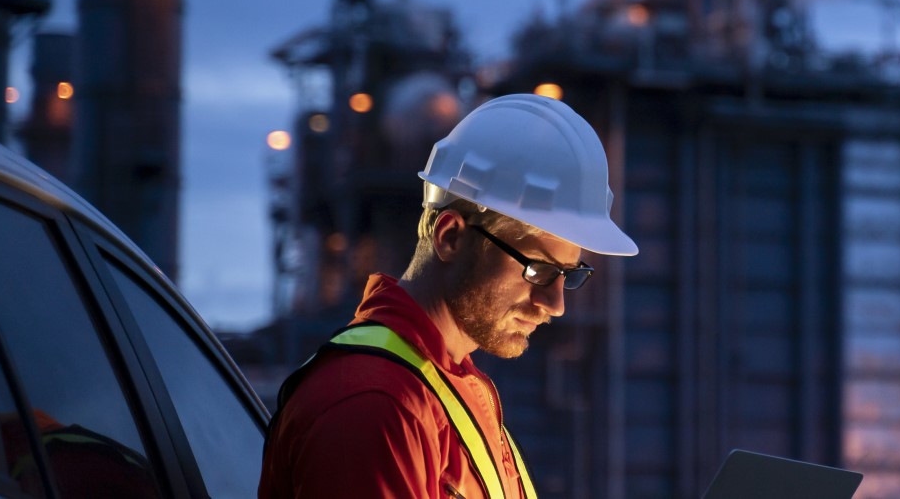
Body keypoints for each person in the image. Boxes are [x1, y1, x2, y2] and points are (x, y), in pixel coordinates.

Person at [260, 94, 638, 498]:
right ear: (451, 236)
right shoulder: (375, 404)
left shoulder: (452, 392)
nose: (555, 305)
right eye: (539, 270)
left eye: (569, 275)